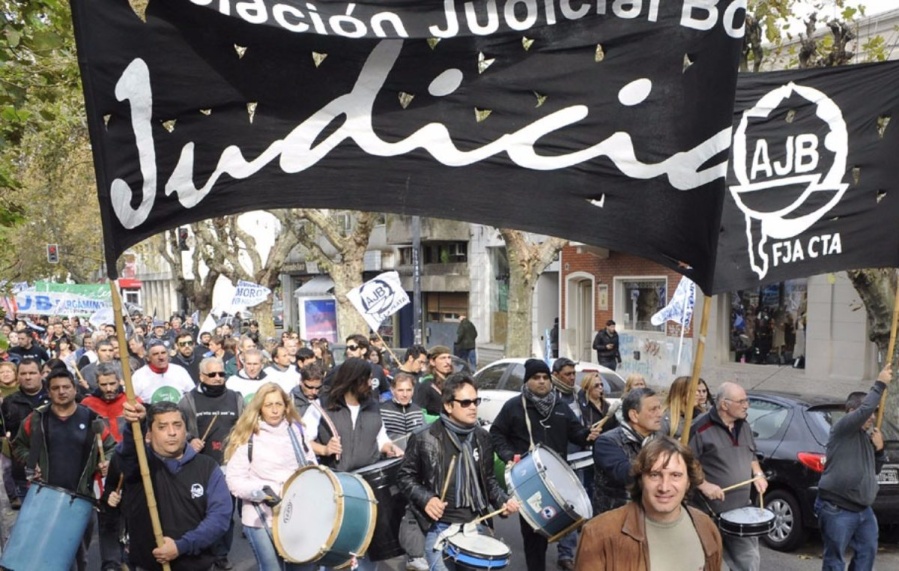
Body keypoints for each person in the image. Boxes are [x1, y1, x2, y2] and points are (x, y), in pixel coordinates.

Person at [398, 373, 519, 571]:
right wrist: (426, 499)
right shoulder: (424, 437)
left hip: (475, 525)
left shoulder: (482, 437)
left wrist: (503, 501)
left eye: (475, 401)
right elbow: (404, 477)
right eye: (465, 402)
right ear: (448, 405)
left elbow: (488, 481)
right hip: (439, 528)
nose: (472, 407)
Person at [490, 359, 601, 571]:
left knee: (564, 525)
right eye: (535, 378)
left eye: (545, 378)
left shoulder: (560, 406)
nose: (541, 382)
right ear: (527, 381)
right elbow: (496, 433)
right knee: (534, 536)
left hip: (557, 479)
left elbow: (576, 433)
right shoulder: (514, 406)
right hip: (528, 479)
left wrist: (588, 435)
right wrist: (509, 456)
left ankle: (564, 556)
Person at [13, 368, 116, 571]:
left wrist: (107, 463)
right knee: (48, 554)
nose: (61, 391)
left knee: (82, 556)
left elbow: (111, 447)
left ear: (74, 388)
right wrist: (30, 461)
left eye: (66, 387)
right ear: (48, 392)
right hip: (44, 498)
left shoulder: (91, 419)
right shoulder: (36, 419)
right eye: (56, 388)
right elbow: (18, 445)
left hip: (82, 499)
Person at [574, 436, 722, 571]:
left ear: (689, 481)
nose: (664, 487)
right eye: (654, 475)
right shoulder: (599, 534)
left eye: (675, 475)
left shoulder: (706, 526)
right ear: (640, 479)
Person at [308, 358, 401, 571]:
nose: (371, 384)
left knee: (368, 545)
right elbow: (301, 441)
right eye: (367, 379)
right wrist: (324, 449)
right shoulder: (322, 406)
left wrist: (389, 448)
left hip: (367, 489)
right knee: (334, 546)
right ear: (353, 380)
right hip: (335, 489)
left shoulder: (373, 407)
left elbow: (381, 438)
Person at [119, 400, 232, 570]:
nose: (172, 432)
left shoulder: (207, 466)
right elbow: (129, 451)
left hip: (197, 565)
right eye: (162, 427)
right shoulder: (140, 465)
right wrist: (136, 424)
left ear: (185, 429)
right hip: (148, 565)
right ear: (149, 433)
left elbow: (220, 517)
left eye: (177, 425)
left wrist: (181, 546)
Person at [224, 383, 318, 571]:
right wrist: (261, 492)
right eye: (268, 405)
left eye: (278, 404)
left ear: (286, 406)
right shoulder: (248, 436)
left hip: (297, 514)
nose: (274, 410)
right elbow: (234, 479)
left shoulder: (297, 431)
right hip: (260, 516)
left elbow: (311, 462)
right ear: (259, 407)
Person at [815, 364, 892, 571]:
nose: (872, 417)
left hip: (863, 510)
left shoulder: (867, 437)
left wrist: (879, 450)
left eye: (874, 413)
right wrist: (880, 384)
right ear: (851, 413)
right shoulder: (842, 430)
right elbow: (865, 409)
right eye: (868, 413)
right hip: (836, 508)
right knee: (835, 560)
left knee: (867, 552)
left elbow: (873, 472)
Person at [690, 381, 768, 571]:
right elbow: (685, 462)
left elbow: (751, 454)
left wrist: (758, 474)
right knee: (715, 563)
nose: (746, 405)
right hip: (710, 512)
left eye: (746, 400)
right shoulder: (699, 427)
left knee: (750, 562)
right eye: (741, 401)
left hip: (742, 510)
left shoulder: (744, 426)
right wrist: (704, 484)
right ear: (724, 404)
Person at [179, 357, 245, 569]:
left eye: (221, 374)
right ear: (201, 377)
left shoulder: (236, 398)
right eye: (212, 375)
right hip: (199, 466)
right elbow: (177, 427)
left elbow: (246, 427)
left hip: (229, 465)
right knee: (200, 512)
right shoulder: (188, 400)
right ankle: (200, 551)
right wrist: (190, 439)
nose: (218, 378)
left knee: (224, 513)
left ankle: (221, 555)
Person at [81, 363, 132, 571]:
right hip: (101, 473)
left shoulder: (131, 402)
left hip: (129, 468)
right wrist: (96, 462)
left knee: (131, 518)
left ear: (119, 381)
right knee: (107, 519)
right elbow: (82, 441)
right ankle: (110, 564)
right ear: (97, 384)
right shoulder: (87, 405)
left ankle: (129, 559)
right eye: (104, 384)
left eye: (112, 383)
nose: (109, 388)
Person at [379, 372, 427, 570]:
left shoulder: (417, 411)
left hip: (413, 469)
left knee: (411, 510)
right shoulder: (383, 410)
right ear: (392, 391)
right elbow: (379, 438)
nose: (405, 394)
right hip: (389, 467)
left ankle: (413, 553)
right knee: (392, 510)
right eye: (400, 390)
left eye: (408, 390)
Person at [592, 388, 662, 516]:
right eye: (653, 409)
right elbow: (626, 474)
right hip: (615, 517)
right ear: (634, 415)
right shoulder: (607, 442)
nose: (660, 414)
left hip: (649, 515)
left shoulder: (660, 440)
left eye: (659, 408)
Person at [1, 358, 50, 505]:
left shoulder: (55, 396)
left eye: (32, 373)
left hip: (54, 470)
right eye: (23, 373)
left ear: (41, 374)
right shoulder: (9, 402)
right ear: (18, 376)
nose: (28, 377)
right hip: (23, 471)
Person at [131, 341, 196, 404]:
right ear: (148, 358)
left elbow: (192, 395)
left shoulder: (179, 371)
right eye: (155, 354)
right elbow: (132, 400)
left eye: (163, 353)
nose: (161, 357)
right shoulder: (139, 376)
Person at [414, 345, 454, 417]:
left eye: (449, 358)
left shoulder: (453, 382)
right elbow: (419, 412)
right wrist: (439, 420)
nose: (448, 362)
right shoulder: (427, 385)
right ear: (432, 362)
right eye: (443, 358)